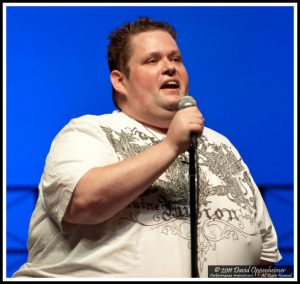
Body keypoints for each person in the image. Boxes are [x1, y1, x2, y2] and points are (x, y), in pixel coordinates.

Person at [13, 16, 282, 278]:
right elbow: (83, 202)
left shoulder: (222, 145)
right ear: (120, 81)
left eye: (175, 58)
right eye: (152, 60)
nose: (170, 67)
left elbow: (265, 258)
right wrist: (171, 146)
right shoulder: (87, 132)